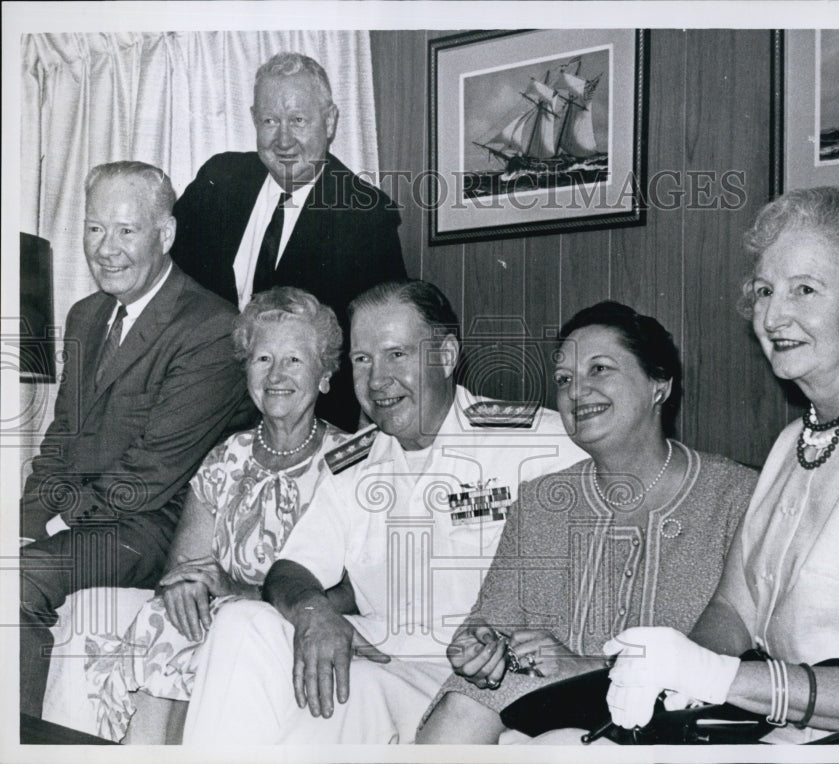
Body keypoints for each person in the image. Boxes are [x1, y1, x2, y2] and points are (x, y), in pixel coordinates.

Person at [600, 187, 839, 744]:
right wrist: (675, 678)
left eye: (805, 289)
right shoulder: (795, 440)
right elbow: (734, 609)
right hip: (786, 733)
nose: (773, 315)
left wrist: (720, 678)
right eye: (765, 290)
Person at [182, 280, 588, 744]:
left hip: (478, 679)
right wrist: (315, 613)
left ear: (447, 355)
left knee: (346, 695)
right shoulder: (352, 466)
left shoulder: (533, 441)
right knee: (241, 623)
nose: (377, 380)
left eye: (397, 355)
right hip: (380, 651)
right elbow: (291, 570)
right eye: (363, 359)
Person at [416, 301, 759, 744]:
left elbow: (727, 648)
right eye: (564, 380)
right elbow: (491, 618)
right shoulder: (541, 501)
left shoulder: (735, 496)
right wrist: (479, 647)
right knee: (463, 707)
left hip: (677, 717)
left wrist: (593, 667)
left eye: (600, 369)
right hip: (550, 705)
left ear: (660, 384)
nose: (577, 391)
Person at [19, 161, 251, 718]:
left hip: (146, 529)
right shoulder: (84, 315)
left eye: (126, 230)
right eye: (95, 229)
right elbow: (59, 441)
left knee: (18, 581)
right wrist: (24, 518)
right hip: (87, 518)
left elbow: (146, 478)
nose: (106, 248)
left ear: (165, 234)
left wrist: (47, 527)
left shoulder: (210, 327)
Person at [170, 51, 407, 433]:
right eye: (270, 121)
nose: (283, 140)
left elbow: (375, 345)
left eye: (298, 121)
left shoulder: (366, 216)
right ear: (253, 119)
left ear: (329, 121)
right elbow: (168, 283)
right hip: (199, 413)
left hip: (308, 422)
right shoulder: (219, 181)